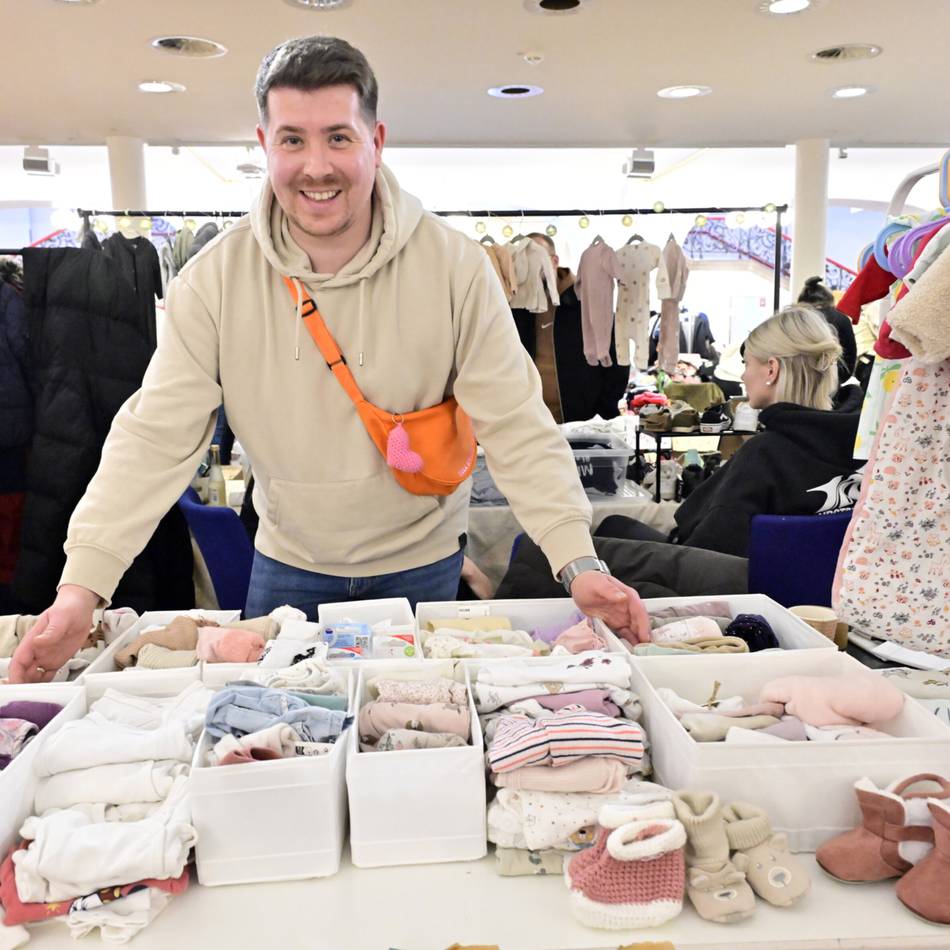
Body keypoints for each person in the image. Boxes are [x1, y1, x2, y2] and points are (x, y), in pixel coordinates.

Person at [10, 36, 649, 682]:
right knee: (273, 756)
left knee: (412, 756)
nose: (316, 166)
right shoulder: (213, 280)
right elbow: (153, 438)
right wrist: (80, 590)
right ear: (264, 145)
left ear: (377, 140)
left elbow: (516, 425)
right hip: (287, 569)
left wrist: (578, 561)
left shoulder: (454, 267)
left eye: (338, 138)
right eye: (293, 140)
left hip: (422, 566)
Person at [586, 306, 864, 559]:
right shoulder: (867, 448)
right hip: (817, 588)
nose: (743, 376)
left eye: (747, 364)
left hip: (737, 589)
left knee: (607, 530)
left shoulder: (765, 454)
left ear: (772, 369)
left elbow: (708, 554)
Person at [510, 233, 628, 423]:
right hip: (529, 421)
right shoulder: (517, 306)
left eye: (536, 258)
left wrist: (603, 408)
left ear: (554, 261)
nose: (529, 266)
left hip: (584, 421)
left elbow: (618, 357)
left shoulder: (584, 301)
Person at [796, 275, 857, 387]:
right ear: (829, 298)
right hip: (831, 380)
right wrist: (839, 378)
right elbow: (850, 355)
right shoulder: (841, 318)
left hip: (798, 380)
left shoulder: (794, 319)